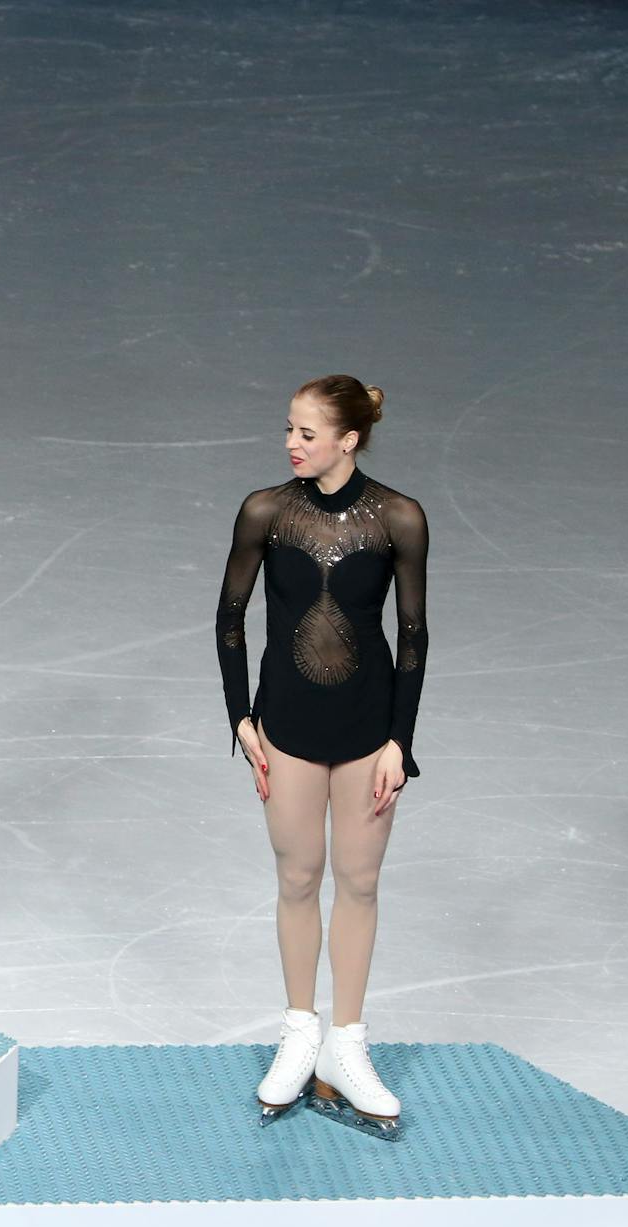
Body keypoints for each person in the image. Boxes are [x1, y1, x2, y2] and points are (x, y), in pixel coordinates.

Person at [215, 377, 428, 1140]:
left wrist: (401, 742)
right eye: (289, 429)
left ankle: (346, 1046)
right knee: (299, 876)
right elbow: (231, 616)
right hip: (290, 728)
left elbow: (412, 636)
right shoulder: (266, 512)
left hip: (368, 733)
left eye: (306, 433)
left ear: (350, 439)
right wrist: (241, 717)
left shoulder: (400, 518)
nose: (291, 443)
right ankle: (300, 1034)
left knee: (360, 883)